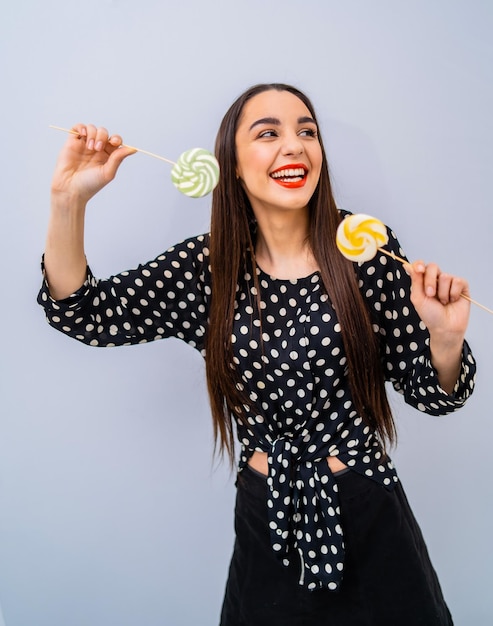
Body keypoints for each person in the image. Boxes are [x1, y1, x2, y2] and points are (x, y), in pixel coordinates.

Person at [38, 83, 476, 626]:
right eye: (268, 133)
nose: (294, 146)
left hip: (369, 515)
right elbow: (83, 312)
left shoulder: (367, 251)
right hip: (267, 519)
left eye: (307, 132)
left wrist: (446, 338)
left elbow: (434, 396)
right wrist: (68, 202)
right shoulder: (207, 268)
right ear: (233, 166)